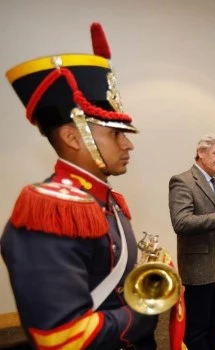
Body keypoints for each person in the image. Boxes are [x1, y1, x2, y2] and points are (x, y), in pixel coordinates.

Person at [0, 23, 159, 348]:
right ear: (73, 137)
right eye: (116, 134)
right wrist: (143, 311)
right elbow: (63, 336)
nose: (128, 145)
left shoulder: (107, 199)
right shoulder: (49, 212)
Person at [169, 134, 215, 349]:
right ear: (201, 152)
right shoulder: (182, 181)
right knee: (197, 328)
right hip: (199, 269)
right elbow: (181, 222)